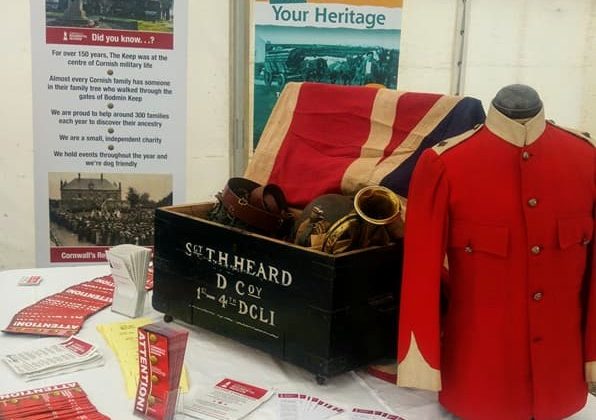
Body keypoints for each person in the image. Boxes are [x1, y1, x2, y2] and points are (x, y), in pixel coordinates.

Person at [397, 84, 596, 419]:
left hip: (561, 385)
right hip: (478, 384)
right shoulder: (444, 164)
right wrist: (422, 365)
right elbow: (420, 276)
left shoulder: (587, 159)